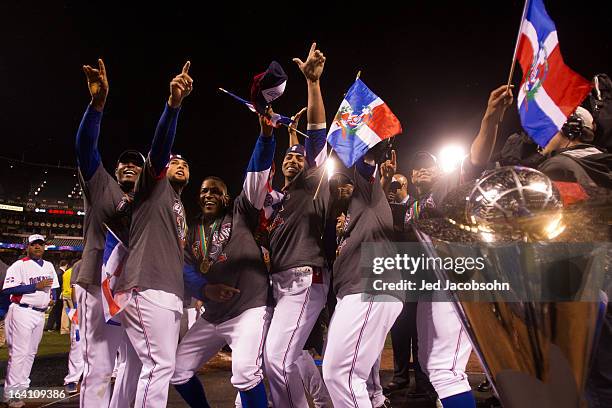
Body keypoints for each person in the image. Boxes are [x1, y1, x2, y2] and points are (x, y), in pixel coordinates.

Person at [247, 43, 329, 408]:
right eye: (288, 158)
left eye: (300, 157)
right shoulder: (277, 197)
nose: (294, 159)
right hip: (280, 283)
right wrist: (275, 135)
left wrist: (312, 84)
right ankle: (321, 401)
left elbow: (317, 136)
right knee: (289, 358)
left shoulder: (312, 186)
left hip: (305, 279)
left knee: (275, 360)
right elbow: (255, 188)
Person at [113, 61, 193, 408]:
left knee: (135, 368)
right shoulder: (153, 185)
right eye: (173, 162)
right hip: (148, 286)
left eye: (184, 164)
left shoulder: (177, 206)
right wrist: (173, 107)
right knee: (159, 365)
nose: (177, 165)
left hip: (167, 290)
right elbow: (160, 147)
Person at [74, 58, 145, 407]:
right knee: (100, 366)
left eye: (137, 162)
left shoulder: (151, 205)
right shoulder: (101, 185)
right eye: (124, 161)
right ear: (116, 169)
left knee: (137, 366)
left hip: (134, 289)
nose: (130, 164)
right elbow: (85, 148)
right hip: (97, 284)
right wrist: (97, 106)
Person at [171, 174, 271, 408]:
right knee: (178, 371)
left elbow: (256, 173)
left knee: (246, 372)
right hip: (214, 314)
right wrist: (206, 289)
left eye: (215, 191)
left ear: (226, 198)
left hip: (248, 309)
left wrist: (265, 139)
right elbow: (186, 269)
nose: (208, 195)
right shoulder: (192, 229)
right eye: (204, 191)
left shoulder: (241, 214)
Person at [322, 140, 404, 408]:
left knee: (343, 375)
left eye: (348, 182)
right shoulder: (347, 225)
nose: (343, 186)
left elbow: (365, 168)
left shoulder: (368, 198)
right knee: (341, 374)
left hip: (370, 289)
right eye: (337, 184)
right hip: (356, 295)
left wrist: (367, 148)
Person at [1, 234, 60, 408]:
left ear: (44, 247)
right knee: (19, 353)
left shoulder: (49, 265)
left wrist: (53, 299)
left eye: (40, 244)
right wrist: (35, 286)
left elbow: (53, 287)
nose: (37, 247)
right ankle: (10, 395)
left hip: (40, 314)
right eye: (34, 244)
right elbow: (8, 289)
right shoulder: (19, 265)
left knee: (31, 353)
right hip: (22, 311)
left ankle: (22, 389)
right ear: (27, 247)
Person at [63, 260, 83, 394]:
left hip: (102, 310)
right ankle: (72, 379)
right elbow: (74, 290)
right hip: (82, 310)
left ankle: (113, 373)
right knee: (77, 346)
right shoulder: (79, 265)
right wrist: (78, 309)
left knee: (108, 344)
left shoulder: (110, 260)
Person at [44, 259, 67, 333]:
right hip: (58, 294)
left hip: (58, 294)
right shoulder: (60, 273)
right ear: (66, 265)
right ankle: (49, 326)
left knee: (57, 311)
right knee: (55, 311)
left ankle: (57, 325)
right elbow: (57, 285)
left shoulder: (58, 272)